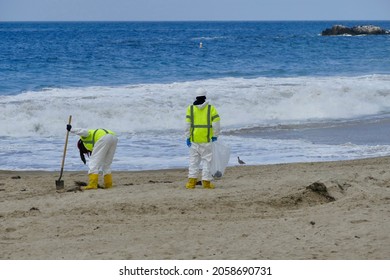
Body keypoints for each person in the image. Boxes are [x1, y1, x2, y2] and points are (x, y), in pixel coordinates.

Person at [185, 88, 221, 189]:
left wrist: (187, 137)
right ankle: (206, 182)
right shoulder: (211, 108)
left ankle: (191, 183)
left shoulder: (191, 108)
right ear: (205, 97)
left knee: (193, 161)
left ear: (196, 96)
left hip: (194, 139)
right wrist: (215, 135)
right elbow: (216, 123)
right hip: (207, 140)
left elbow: (187, 124)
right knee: (207, 161)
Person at [67, 125, 118, 190]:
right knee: (106, 164)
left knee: (93, 163)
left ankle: (93, 185)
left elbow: (84, 132)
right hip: (113, 137)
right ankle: (108, 184)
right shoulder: (93, 139)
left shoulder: (84, 138)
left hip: (103, 138)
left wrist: (71, 129)